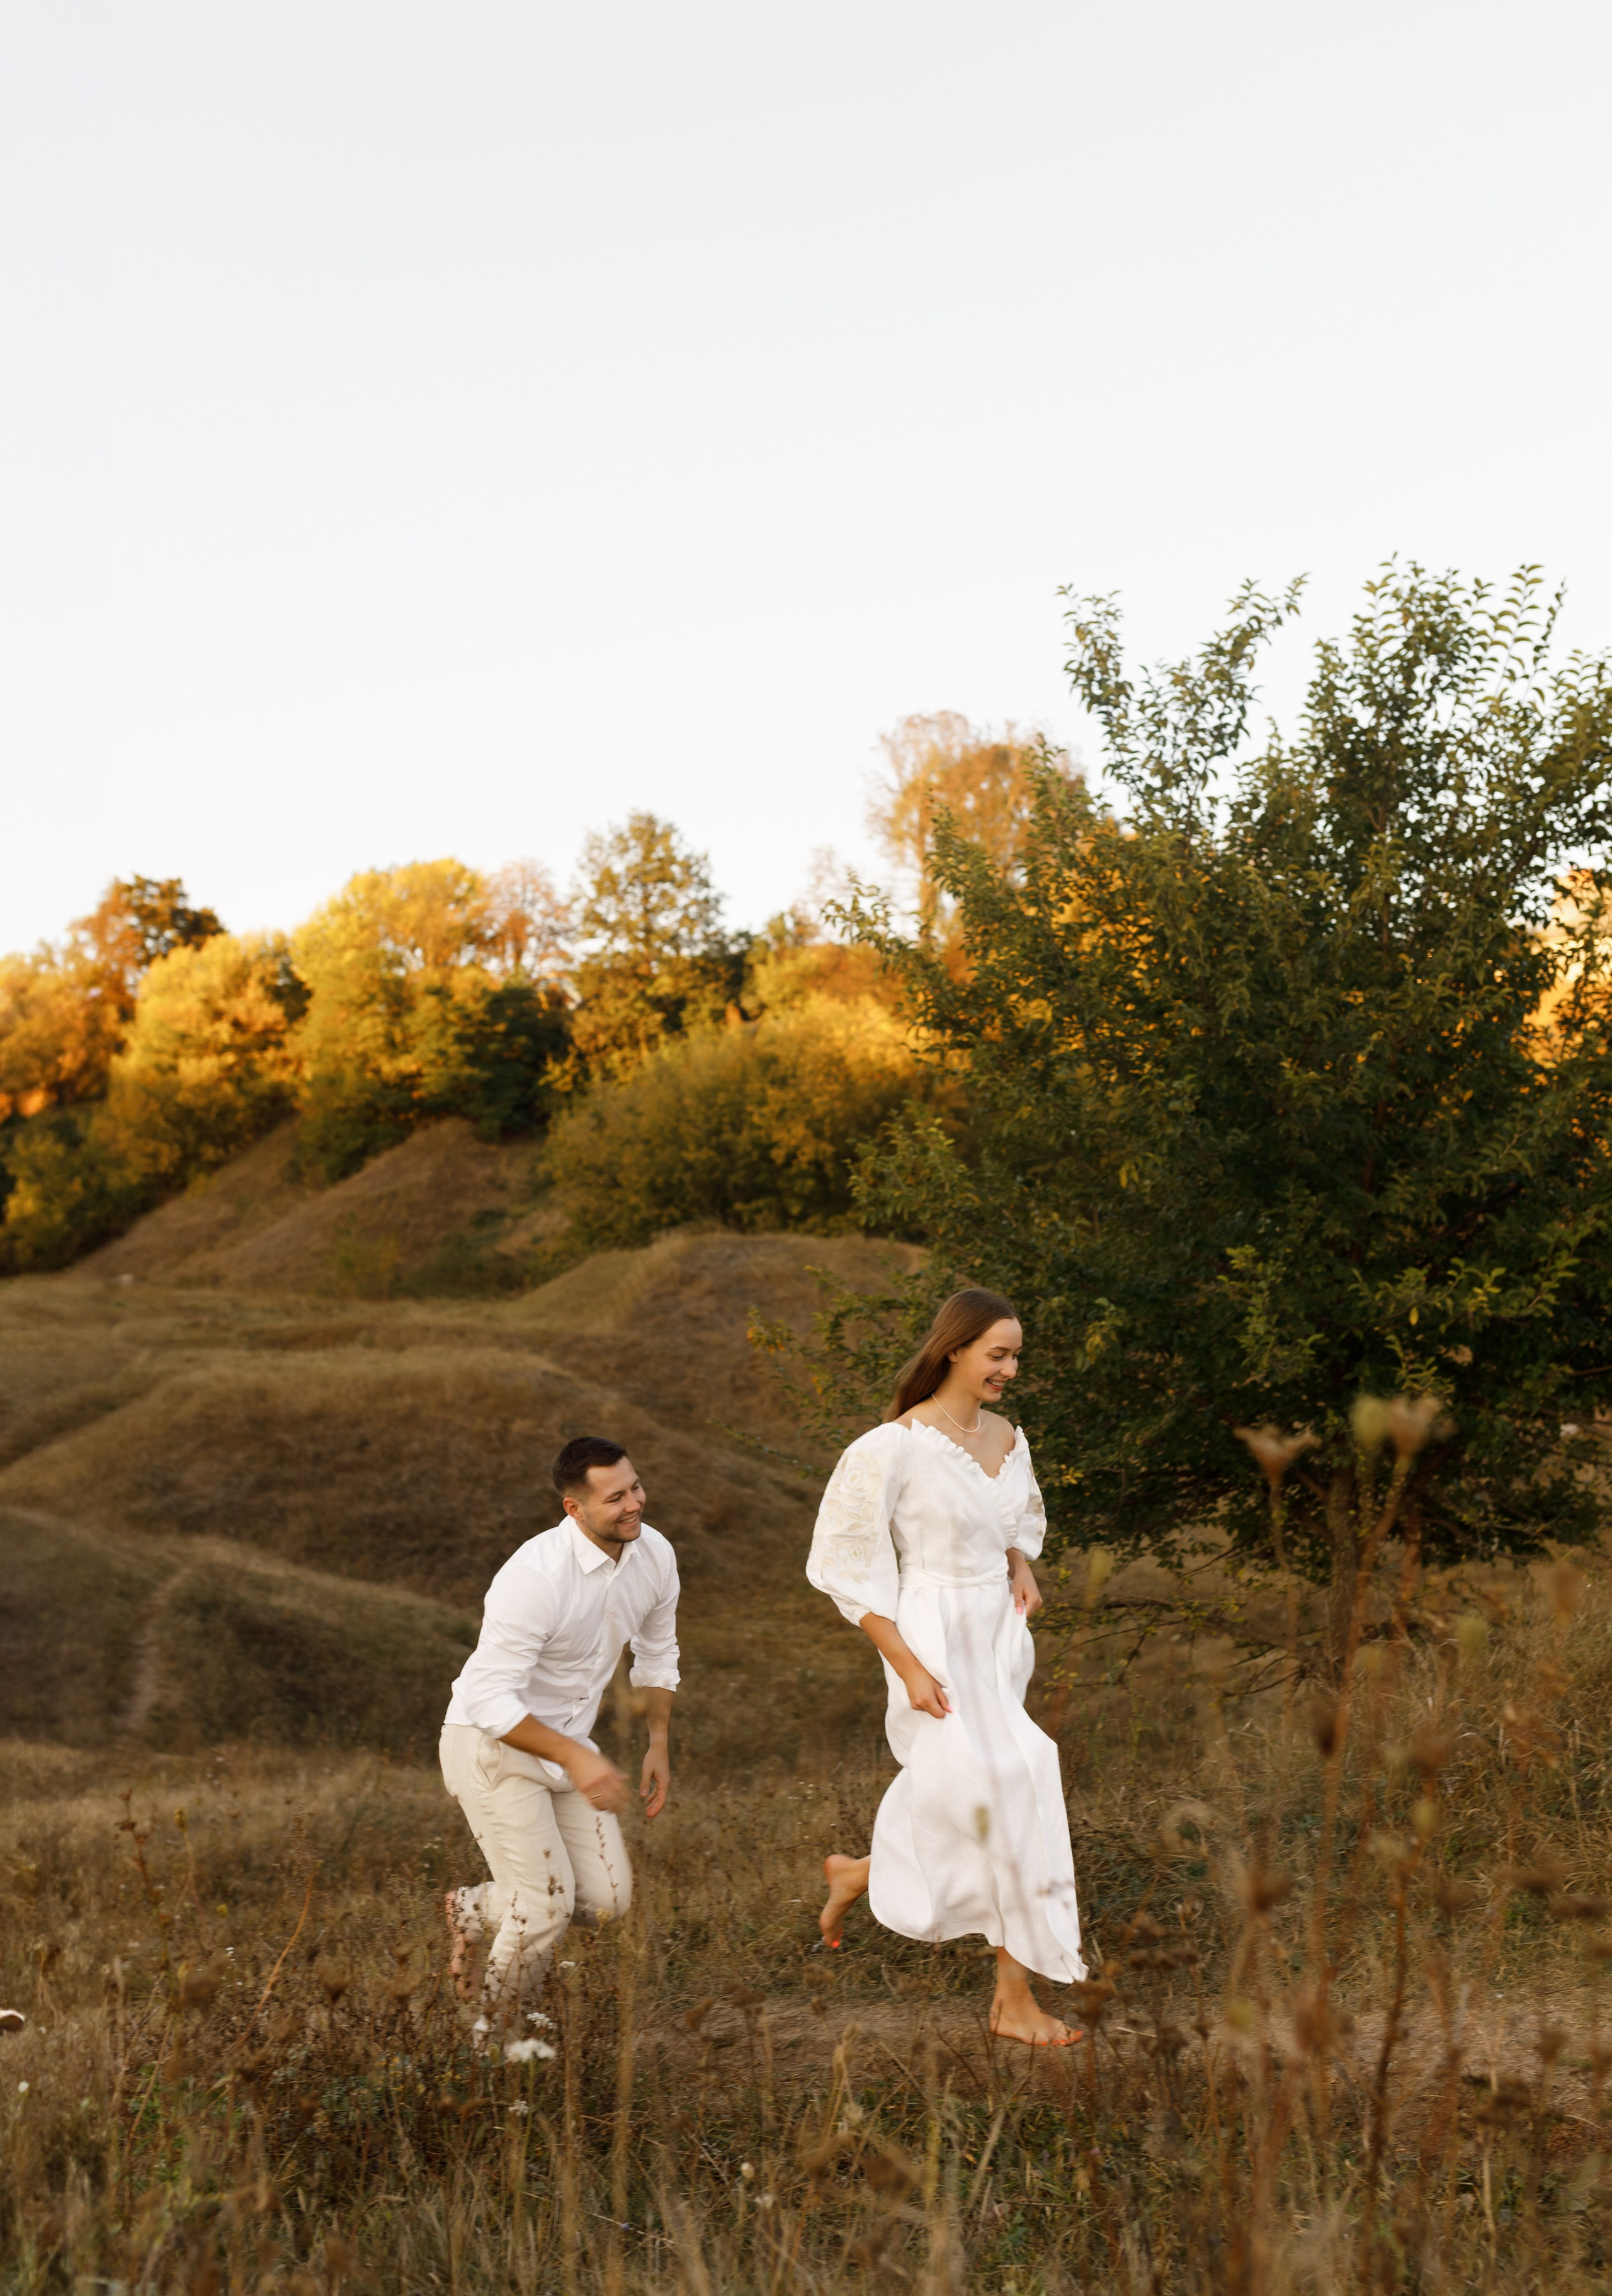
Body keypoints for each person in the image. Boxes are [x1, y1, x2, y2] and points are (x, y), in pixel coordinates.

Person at [807, 1288, 1085, 2047]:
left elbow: (1010, 1520)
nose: (1010, 1369)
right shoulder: (890, 1446)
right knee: (1018, 1776)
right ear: (954, 1349)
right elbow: (843, 1568)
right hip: (931, 1635)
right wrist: (906, 1666)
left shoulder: (1006, 1435)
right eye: (997, 1354)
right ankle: (1013, 2001)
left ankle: (861, 1873)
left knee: (977, 1788)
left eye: (1015, 1355)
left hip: (998, 1634)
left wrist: (1018, 1563)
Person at [440, 1435, 679, 2041]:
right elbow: (490, 1698)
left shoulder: (655, 1555)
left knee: (607, 1901)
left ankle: (471, 1908)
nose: (634, 1504)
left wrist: (657, 1742)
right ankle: (492, 2047)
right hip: (490, 1746)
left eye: (635, 1487)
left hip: (569, 1749)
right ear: (575, 1508)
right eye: (615, 1499)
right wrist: (575, 1755)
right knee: (544, 1905)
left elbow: (657, 1652)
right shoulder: (535, 1576)